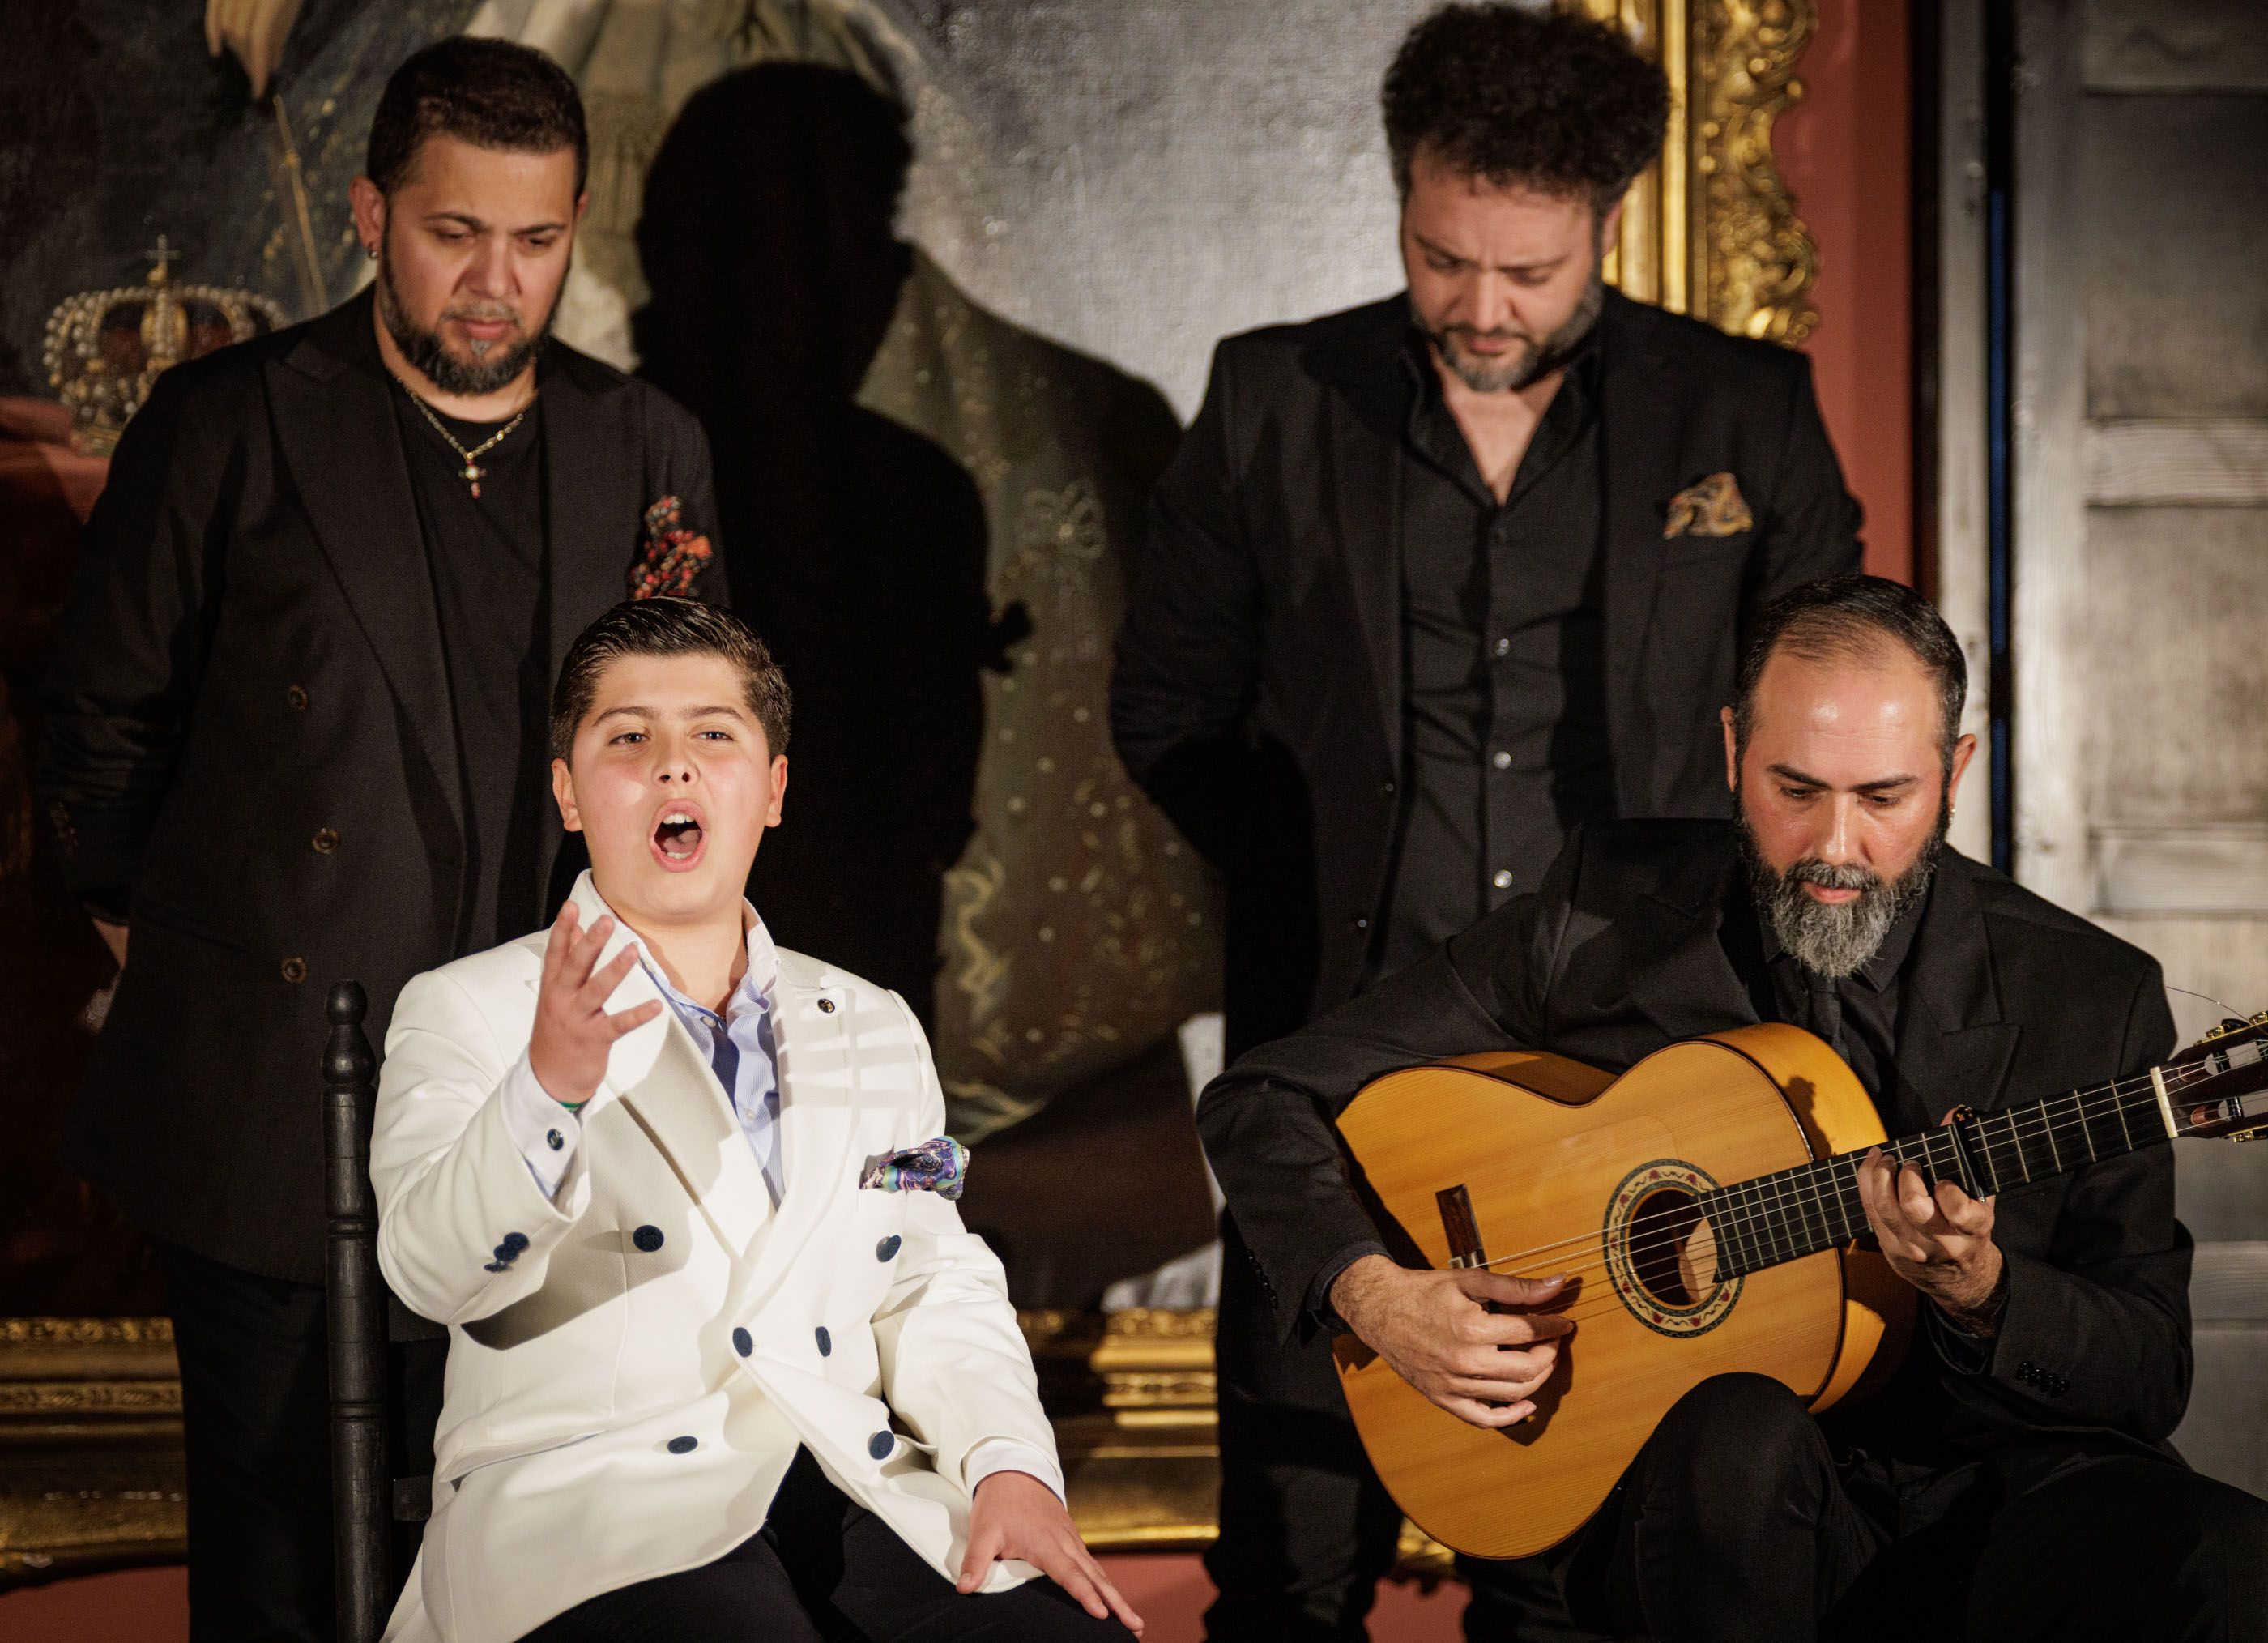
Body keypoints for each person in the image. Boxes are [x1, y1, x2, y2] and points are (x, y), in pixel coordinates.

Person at [1108, 5, 1861, 1632]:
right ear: (1401, 200)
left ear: (1605, 224)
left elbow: (1821, 728)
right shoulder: (1270, 396)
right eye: (1442, 259)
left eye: (1528, 271)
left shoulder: (1742, 411)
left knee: (1571, 1587)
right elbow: (1165, 712)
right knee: (1292, 1565)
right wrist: (1316, 874)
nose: (1482, 308)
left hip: (1627, 1078)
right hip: (1343, 1050)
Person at [1198, 575, 2268, 1642]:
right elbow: (1265, 1095)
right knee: (1738, 1434)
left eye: (1884, 799)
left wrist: (1984, 1293)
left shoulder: (2090, 995)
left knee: (2227, 1556)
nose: (1834, 847)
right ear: (1731, 752)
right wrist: (1373, 1294)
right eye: (1794, 790)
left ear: (1954, 774)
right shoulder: (1601, 914)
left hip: (1996, 1492)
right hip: (1709, 1507)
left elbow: (2148, 1373)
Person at [36, 37, 725, 1639]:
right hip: (276, 1096)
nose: (496, 283)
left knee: (510, 1552)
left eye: (535, 240)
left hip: (544, 1098)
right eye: (453, 233)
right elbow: (97, 733)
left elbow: (680, 764)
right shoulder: (228, 424)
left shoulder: (645, 446)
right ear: (370, 215)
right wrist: (196, 970)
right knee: (283, 1556)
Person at [369, 597, 1140, 1642]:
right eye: (628, 738)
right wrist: (547, 1090)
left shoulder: (874, 1023)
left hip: (849, 1489)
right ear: (567, 792)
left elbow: (930, 1277)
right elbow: (430, 1274)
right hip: (593, 1510)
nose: (674, 767)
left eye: (714, 735)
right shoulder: (470, 1007)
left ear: (773, 789)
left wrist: (1008, 1464)